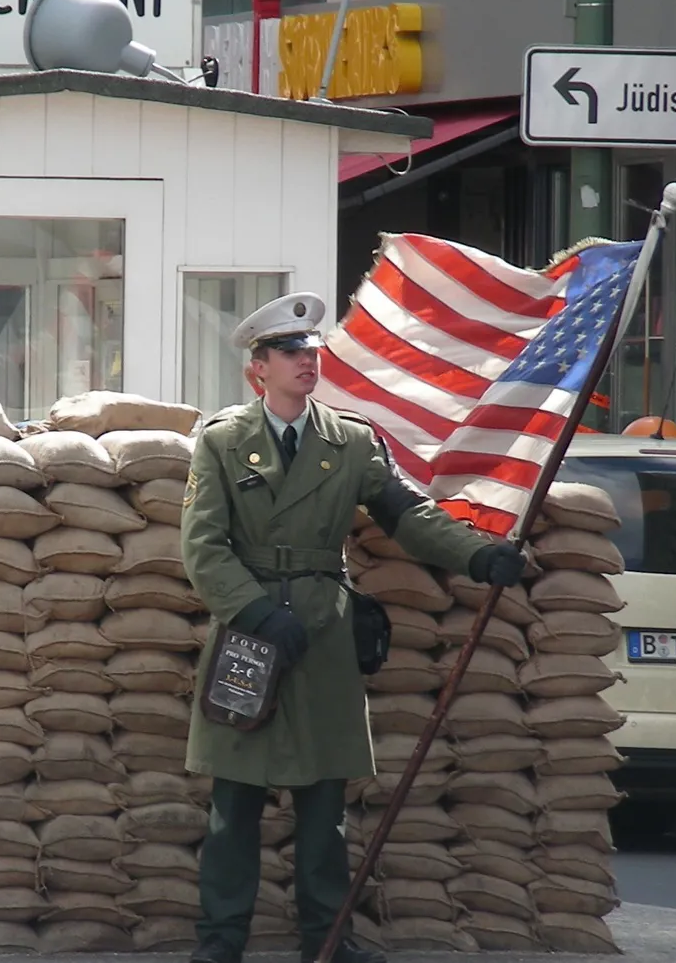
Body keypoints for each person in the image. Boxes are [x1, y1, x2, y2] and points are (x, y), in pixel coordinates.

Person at [180, 293, 526, 963]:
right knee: (234, 804)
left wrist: (478, 553)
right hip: (250, 635)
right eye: (291, 352)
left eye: (311, 351)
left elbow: (405, 516)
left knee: (323, 807)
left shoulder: (351, 439)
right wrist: (255, 612)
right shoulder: (223, 443)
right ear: (259, 368)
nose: (307, 361)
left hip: (322, 635)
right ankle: (221, 939)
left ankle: (327, 937)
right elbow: (203, 547)